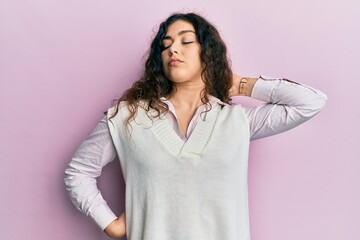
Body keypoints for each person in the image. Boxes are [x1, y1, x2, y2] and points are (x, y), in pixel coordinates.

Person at [64, 12, 327, 240]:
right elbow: (77, 173)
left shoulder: (237, 122)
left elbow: (310, 102)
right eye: (165, 45)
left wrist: (237, 83)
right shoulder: (127, 117)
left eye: (186, 41)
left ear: (208, 53)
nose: (172, 50)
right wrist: (110, 225)